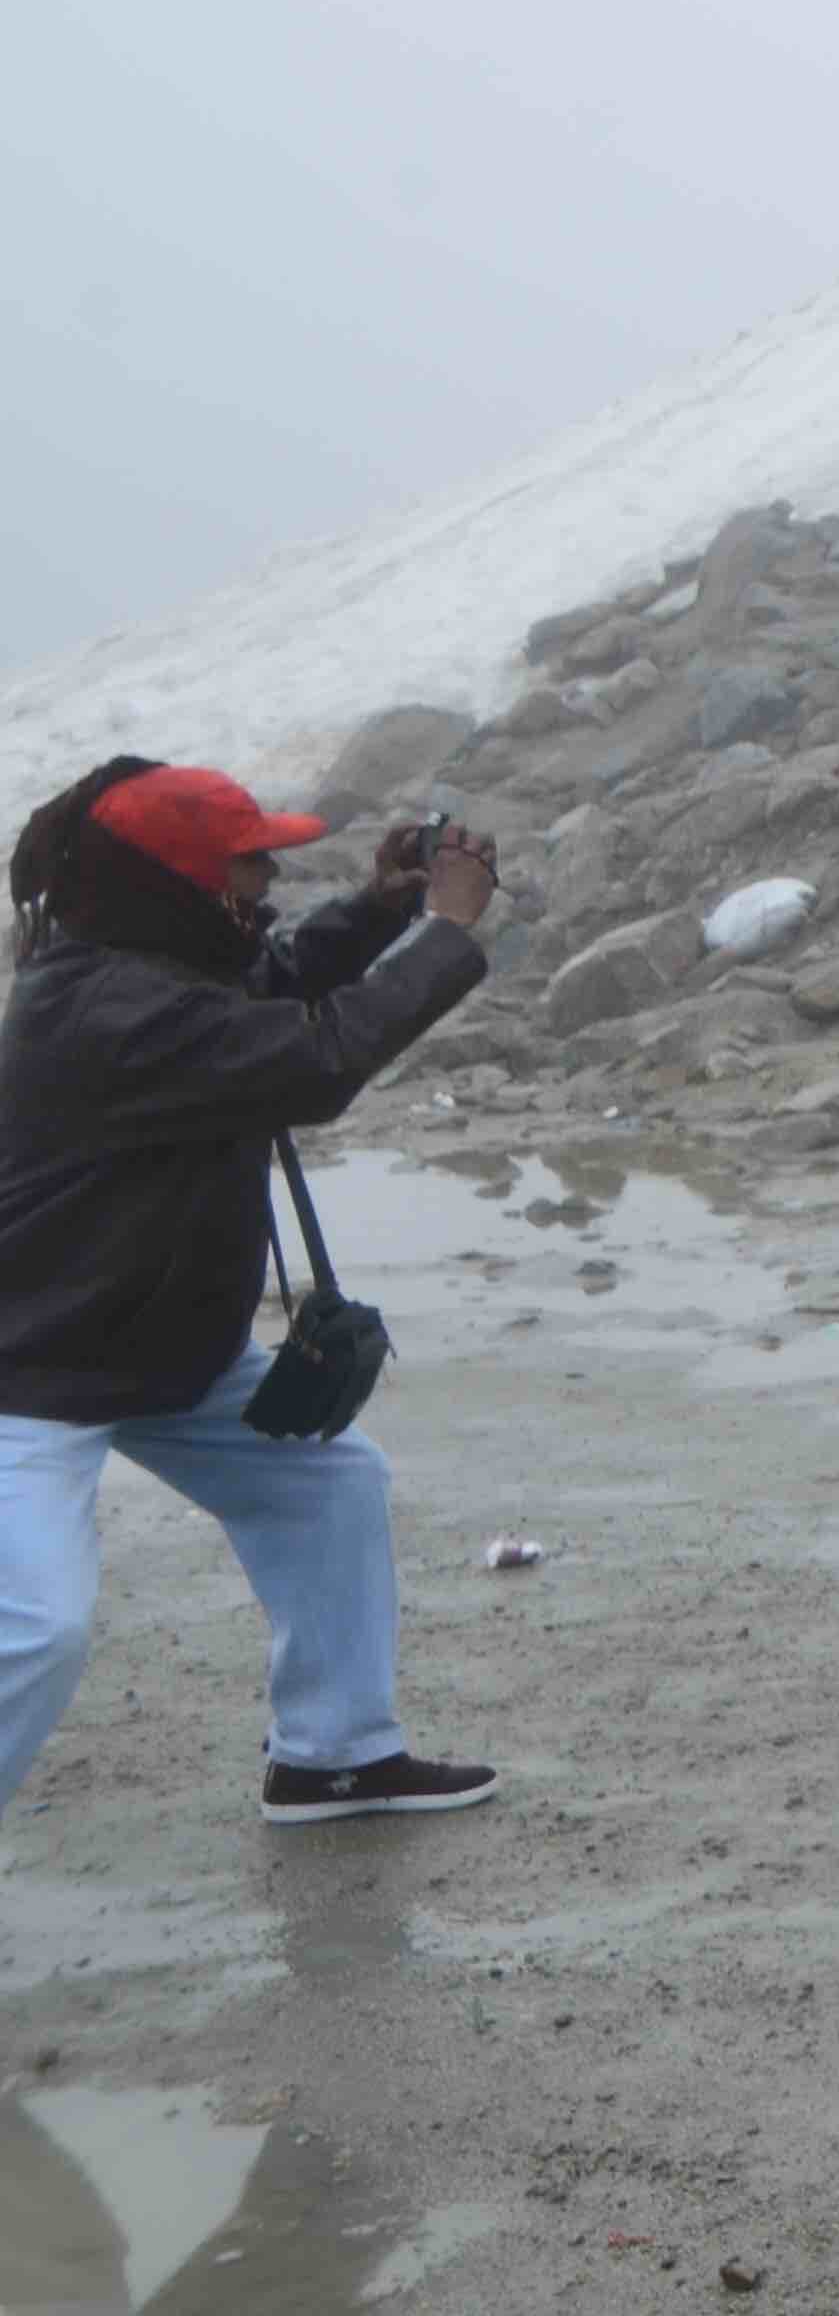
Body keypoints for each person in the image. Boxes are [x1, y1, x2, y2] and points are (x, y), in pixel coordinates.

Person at [0, 759, 505, 1825]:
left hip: (150, 1350)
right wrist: (448, 934)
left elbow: (269, 983)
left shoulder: (149, 964)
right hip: (29, 1371)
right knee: (35, 1625)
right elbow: (317, 1058)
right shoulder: (107, 1008)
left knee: (328, 1488)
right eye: (247, 863)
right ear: (176, 881)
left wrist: (380, 908)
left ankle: (334, 1756)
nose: (267, 879)